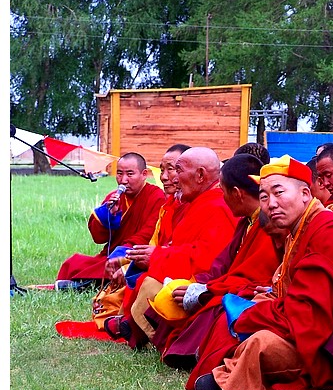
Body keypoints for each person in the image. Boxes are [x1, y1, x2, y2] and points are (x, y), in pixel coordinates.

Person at [191, 155, 333, 390]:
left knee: (259, 342)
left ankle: (229, 378)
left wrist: (254, 314)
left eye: (279, 192)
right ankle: (227, 373)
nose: (271, 203)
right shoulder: (298, 230)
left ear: (306, 194)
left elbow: (307, 312)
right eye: (264, 197)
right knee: (240, 324)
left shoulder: (329, 232)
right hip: (309, 328)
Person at [141, 154, 285, 372]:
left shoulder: (268, 226)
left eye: (224, 191)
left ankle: (194, 352)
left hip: (253, 293)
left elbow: (254, 277)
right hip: (230, 285)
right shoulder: (247, 221)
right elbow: (221, 263)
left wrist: (206, 290)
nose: (222, 197)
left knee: (215, 305)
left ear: (236, 194)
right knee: (181, 292)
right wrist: (200, 284)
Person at [118, 147, 237, 348]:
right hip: (179, 270)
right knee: (144, 280)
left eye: (177, 171)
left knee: (152, 285)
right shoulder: (198, 202)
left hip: (205, 284)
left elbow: (207, 261)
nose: (172, 179)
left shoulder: (218, 206)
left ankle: (159, 338)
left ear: (200, 175)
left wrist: (158, 256)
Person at [56, 152, 166, 288]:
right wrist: (109, 216)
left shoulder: (156, 197)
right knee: (74, 263)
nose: (123, 180)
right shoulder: (114, 197)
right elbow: (98, 238)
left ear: (144, 174)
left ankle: (83, 284)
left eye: (130, 174)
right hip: (110, 255)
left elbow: (148, 233)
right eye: (119, 174)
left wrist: (121, 255)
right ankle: (87, 283)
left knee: (124, 268)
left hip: (135, 255)